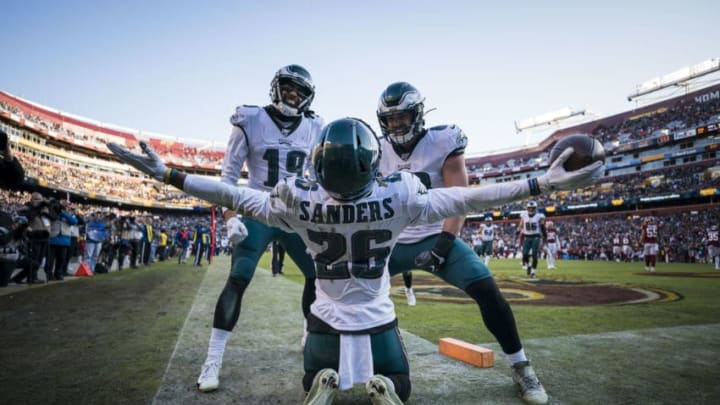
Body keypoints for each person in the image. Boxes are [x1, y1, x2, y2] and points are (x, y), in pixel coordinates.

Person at [108, 117, 601, 404]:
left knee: (309, 377)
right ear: (372, 164)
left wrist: (167, 174)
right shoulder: (402, 197)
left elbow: (232, 193)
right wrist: (542, 184)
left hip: (322, 323)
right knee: (401, 385)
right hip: (380, 321)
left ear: (318, 164)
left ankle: (324, 379)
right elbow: (471, 199)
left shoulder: (298, 201)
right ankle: (383, 384)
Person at [376, 82, 549, 404]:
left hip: (434, 234)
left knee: (487, 290)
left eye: (403, 117)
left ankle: (520, 364)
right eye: (391, 119)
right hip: (392, 241)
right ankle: (351, 359)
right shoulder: (375, 149)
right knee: (353, 293)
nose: (396, 125)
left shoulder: (442, 141)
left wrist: (444, 242)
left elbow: (461, 198)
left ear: (418, 114)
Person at [196, 64, 324, 391]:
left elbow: (319, 178)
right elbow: (227, 178)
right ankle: (213, 359)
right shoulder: (251, 119)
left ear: (308, 97)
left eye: (300, 89)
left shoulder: (315, 126)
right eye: (288, 86)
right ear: (276, 87)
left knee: (318, 276)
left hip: (295, 212)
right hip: (256, 207)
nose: (293, 93)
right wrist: (230, 218)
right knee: (239, 277)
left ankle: (310, 332)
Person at [518, 200, 545, 278]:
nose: (531, 209)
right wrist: (518, 230)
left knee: (534, 254)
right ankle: (529, 265)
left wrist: (544, 234)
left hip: (536, 236)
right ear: (527, 208)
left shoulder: (539, 216)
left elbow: (542, 226)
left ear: (535, 208)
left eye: (532, 208)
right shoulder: (524, 215)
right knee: (525, 254)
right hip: (527, 236)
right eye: (529, 208)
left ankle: (533, 271)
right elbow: (521, 224)